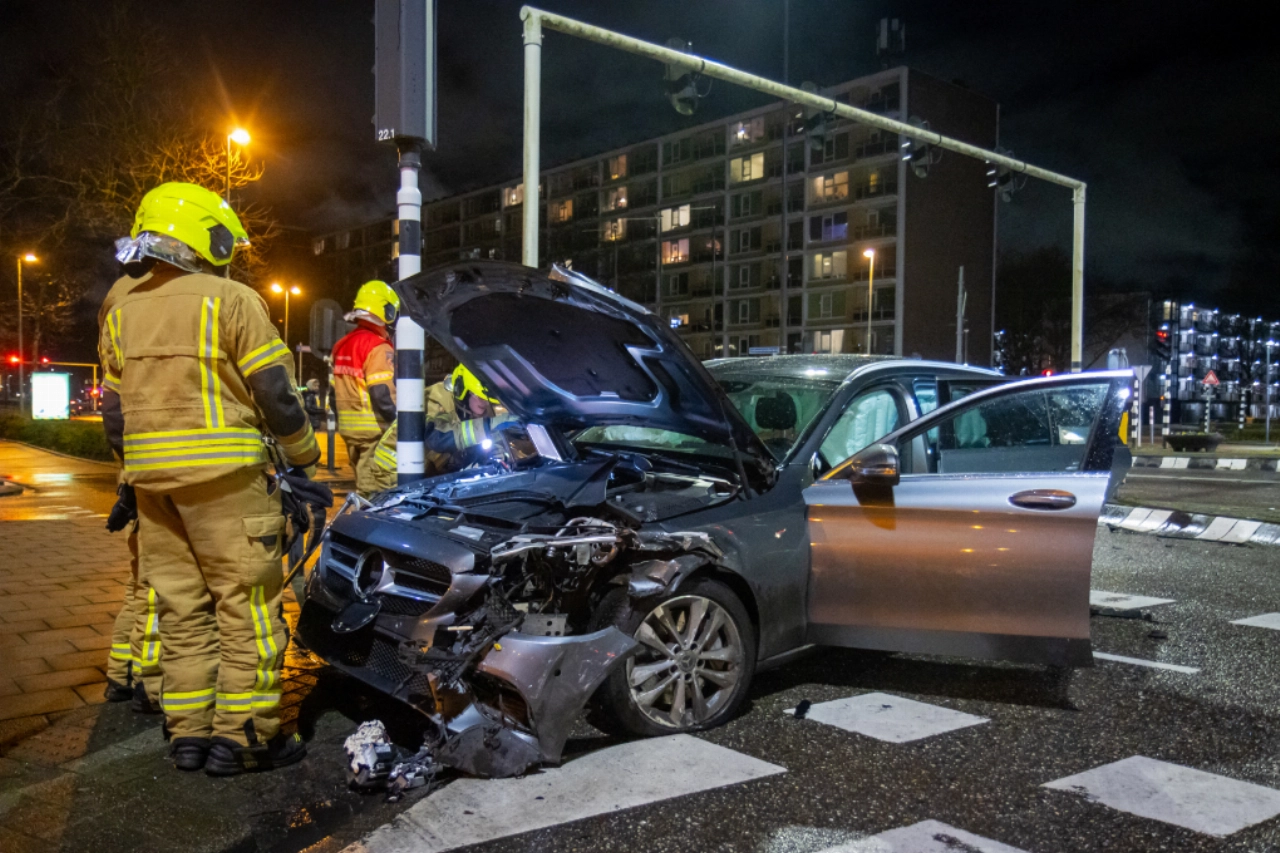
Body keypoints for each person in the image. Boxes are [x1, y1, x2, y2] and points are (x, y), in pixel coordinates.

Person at [100, 181, 318, 775]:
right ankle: (245, 737)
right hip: (225, 481)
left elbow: (114, 414)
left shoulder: (122, 307)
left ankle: (188, 734)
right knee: (247, 608)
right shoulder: (231, 298)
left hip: (152, 487)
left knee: (179, 610)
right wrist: (304, 459)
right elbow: (276, 392)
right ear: (201, 233)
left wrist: (130, 475)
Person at [370, 364, 517, 485]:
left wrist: (499, 455)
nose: (485, 403)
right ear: (463, 391)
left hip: (427, 470)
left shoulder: (477, 406)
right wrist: (490, 425)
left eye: (487, 399)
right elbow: (438, 438)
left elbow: (489, 435)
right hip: (392, 472)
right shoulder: (435, 400)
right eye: (480, 397)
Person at [331, 281, 399, 496]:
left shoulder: (341, 344)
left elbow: (334, 394)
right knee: (373, 494)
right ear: (386, 311)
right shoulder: (378, 347)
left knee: (363, 484)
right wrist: (401, 426)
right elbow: (382, 394)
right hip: (375, 432)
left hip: (351, 432)